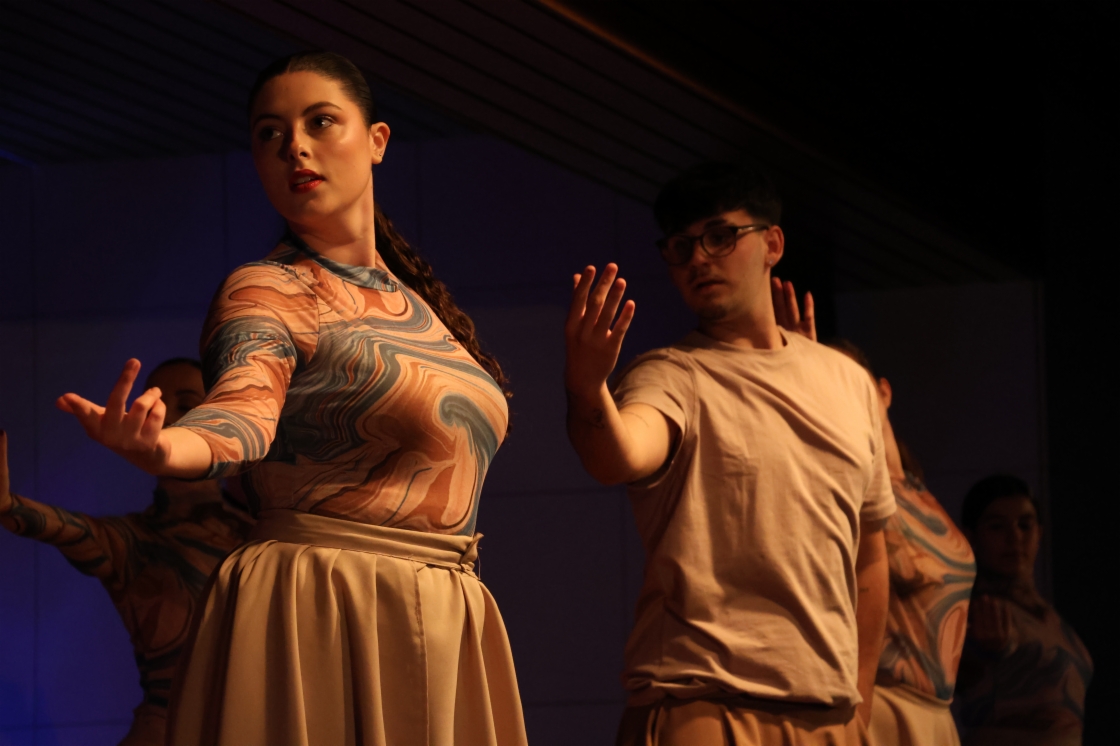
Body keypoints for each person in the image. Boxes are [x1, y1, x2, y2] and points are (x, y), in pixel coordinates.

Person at [55, 51, 526, 746]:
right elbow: (241, 413)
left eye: (320, 121)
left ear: (377, 140)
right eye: (270, 133)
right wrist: (166, 448)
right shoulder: (268, 288)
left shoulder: (423, 306)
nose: (294, 146)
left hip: (443, 604)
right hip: (323, 603)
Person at [564, 161, 895, 745]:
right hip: (704, 703)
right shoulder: (673, 375)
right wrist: (588, 389)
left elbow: (870, 555)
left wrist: (860, 705)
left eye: (720, 236)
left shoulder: (848, 382)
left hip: (830, 713)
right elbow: (619, 454)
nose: (699, 258)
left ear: (772, 244)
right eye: (682, 245)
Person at [0, 358, 252, 746]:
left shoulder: (263, 531)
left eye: (187, 404)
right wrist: (7, 507)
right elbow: (61, 527)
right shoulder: (131, 541)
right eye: (153, 407)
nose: (167, 418)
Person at [822, 339, 976, 746]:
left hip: (934, 717)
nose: (844, 396)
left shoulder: (915, 489)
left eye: (852, 382)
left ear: (883, 392)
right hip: (882, 710)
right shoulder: (846, 491)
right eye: (828, 386)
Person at [955, 474, 1092, 746]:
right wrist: (984, 651)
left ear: (1039, 533)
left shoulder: (1048, 616)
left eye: (1024, 525)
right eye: (997, 527)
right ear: (972, 537)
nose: (1014, 537)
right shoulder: (976, 610)